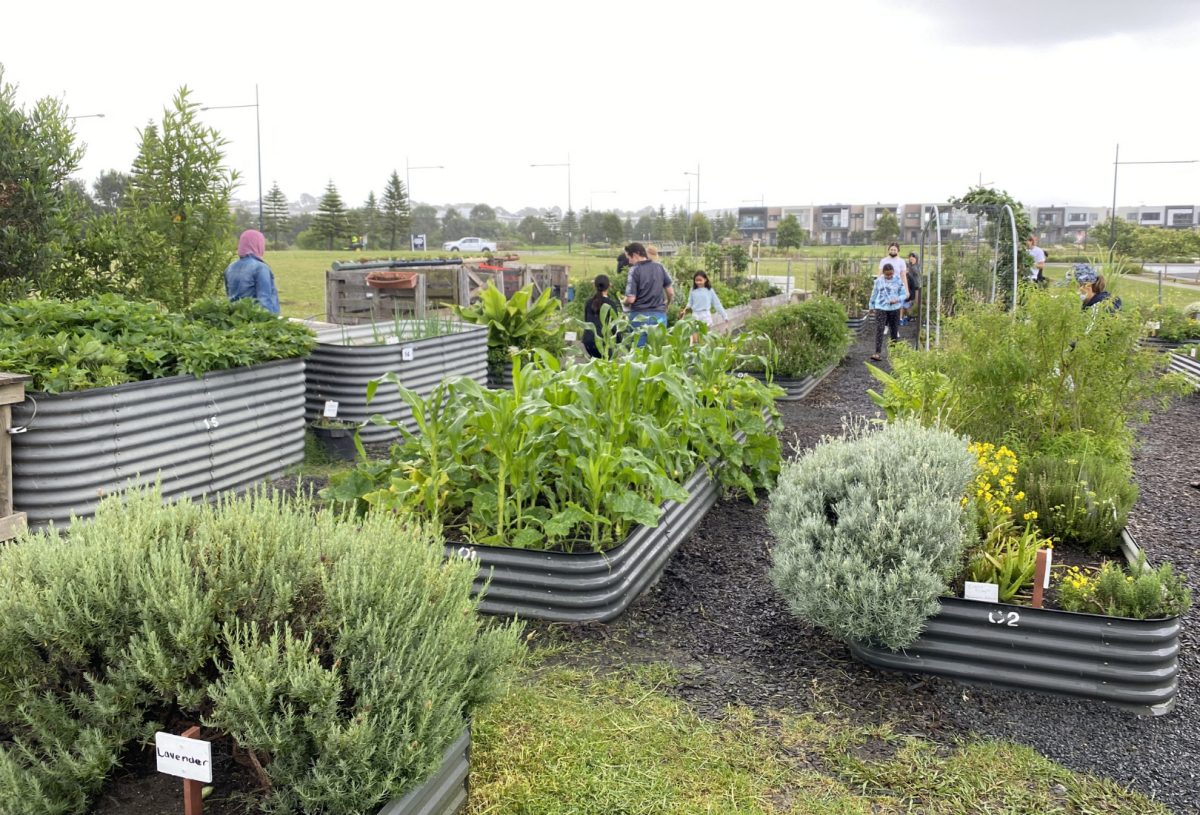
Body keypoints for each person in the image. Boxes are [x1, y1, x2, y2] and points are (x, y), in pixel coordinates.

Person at [622, 242, 674, 347]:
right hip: (659, 316)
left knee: (639, 355)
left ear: (635, 254)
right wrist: (667, 305)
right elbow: (671, 293)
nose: (629, 261)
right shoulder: (660, 267)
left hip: (639, 317)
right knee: (658, 352)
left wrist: (624, 301)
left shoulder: (634, 270)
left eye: (629, 258)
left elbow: (631, 299)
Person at [224, 229, 279, 315]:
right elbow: (264, 301)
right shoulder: (260, 268)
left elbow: (229, 297)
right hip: (254, 320)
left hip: (235, 319)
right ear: (258, 244)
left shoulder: (229, 268)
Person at [869, 262, 906, 361]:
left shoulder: (898, 280)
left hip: (895, 308)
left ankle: (894, 353)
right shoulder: (878, 281)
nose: (889, 276)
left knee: (894, 329)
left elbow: (904, 294)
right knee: (880, 329)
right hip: (881, 307)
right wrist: (871, 306)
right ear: (883, 273)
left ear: (893, 272)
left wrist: (897, 299)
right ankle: (877, 353)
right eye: (887, 274)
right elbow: (874, 293)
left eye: (891, 274)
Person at [582, 274, 623, 358]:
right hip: (603, 341)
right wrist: (619, 340)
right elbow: (613, 325)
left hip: (588, 340)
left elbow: (586, 322)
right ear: (609, 286)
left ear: (594, 286)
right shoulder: (610, 304)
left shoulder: (589, 303)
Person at [901, 252, 921, 326]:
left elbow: (917, 273)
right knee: (906, 302)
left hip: (916, 287)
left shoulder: (917, 266)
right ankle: (905, 317)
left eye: (913, 257)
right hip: (907, 287)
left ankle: (913, 316)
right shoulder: (908, 266)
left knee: (914, 302)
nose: (911, 258)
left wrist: (912, 265)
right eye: (910, 257)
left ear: (916, 258)